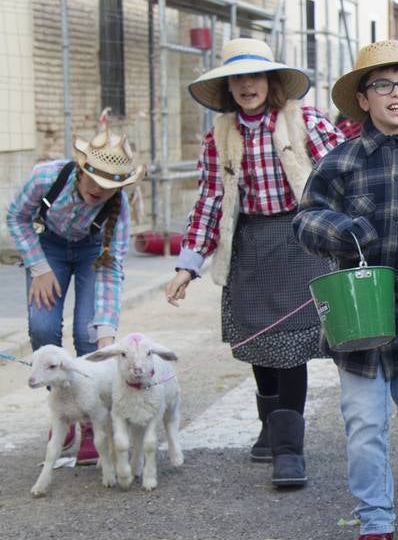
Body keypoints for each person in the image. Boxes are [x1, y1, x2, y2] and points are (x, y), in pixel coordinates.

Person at [293, 41, 398, 540]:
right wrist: (339, 228)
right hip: (356, 305)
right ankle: (373, 525)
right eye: (384, 85)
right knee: (363, 424)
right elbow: (305, 220)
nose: (397, 94)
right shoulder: (337, 162)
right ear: (363, 99)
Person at [165, 39, 343, 487]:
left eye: (255, 76)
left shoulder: (305, 121)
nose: (247, 85)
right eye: (238, 79)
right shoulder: (219, 136)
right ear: (229, 87)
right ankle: (271, 424)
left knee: (289, 348)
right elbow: (209, 200)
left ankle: (289, 450)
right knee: (258, 342)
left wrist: (346, 229)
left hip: (298, 241)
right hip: (247, 242)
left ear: (271, 82)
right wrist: (188, 264)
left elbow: (343, 170)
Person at [6, 121, 142, 464]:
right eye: (95, 179)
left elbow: (112, 266)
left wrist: (107, 332)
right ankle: (62, 414)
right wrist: (38, 267)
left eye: (110, 185)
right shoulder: (45, 177)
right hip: (48, 248)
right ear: (82, 169)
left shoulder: (118, 206)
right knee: (42, 326)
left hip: (92, 253)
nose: (100, 189)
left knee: (89, 333)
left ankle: (89, 423)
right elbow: (16, 217)